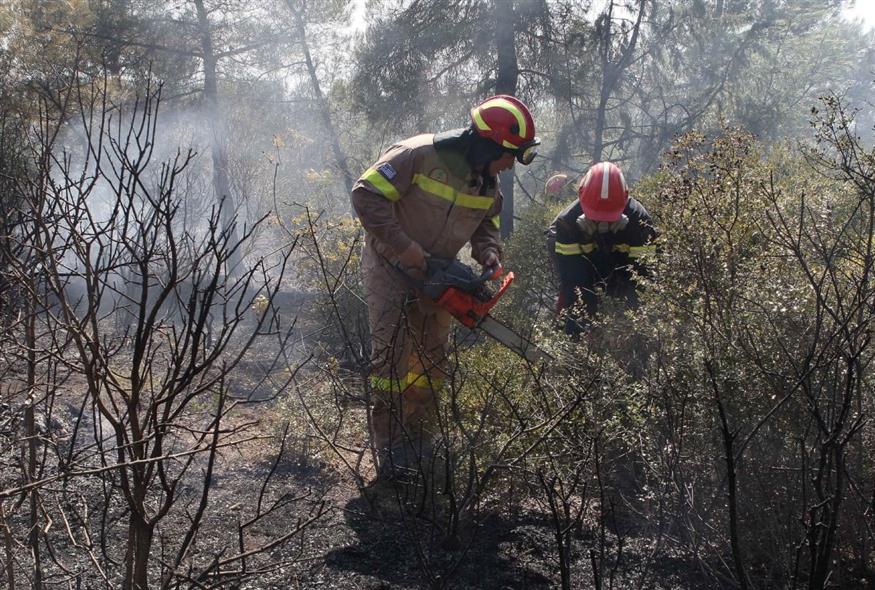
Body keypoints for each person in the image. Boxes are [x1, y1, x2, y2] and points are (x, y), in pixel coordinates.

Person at [351, 95, 540, 478]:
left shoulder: (488, 180)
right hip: (390, 268)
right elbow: (365, 195)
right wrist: (406, 249)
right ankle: (389, 446)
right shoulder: (417, 155)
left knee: (431, 360)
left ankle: (420, 439)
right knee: (390, 360)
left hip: (437, 275)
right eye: (508, 155)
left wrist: (488, 251)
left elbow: (487, 223)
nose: (509, 165)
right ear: (486, 144)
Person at [547, 162, 657, 336]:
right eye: (596, 217)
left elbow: (643, 280)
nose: (603, 225)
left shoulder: (640, 223)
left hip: (622, 273)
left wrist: (625, 323)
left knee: (637, 329)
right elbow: (576, 284)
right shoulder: (566, 225)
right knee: (573, 319)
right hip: (583, 270)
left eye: (609, 218)